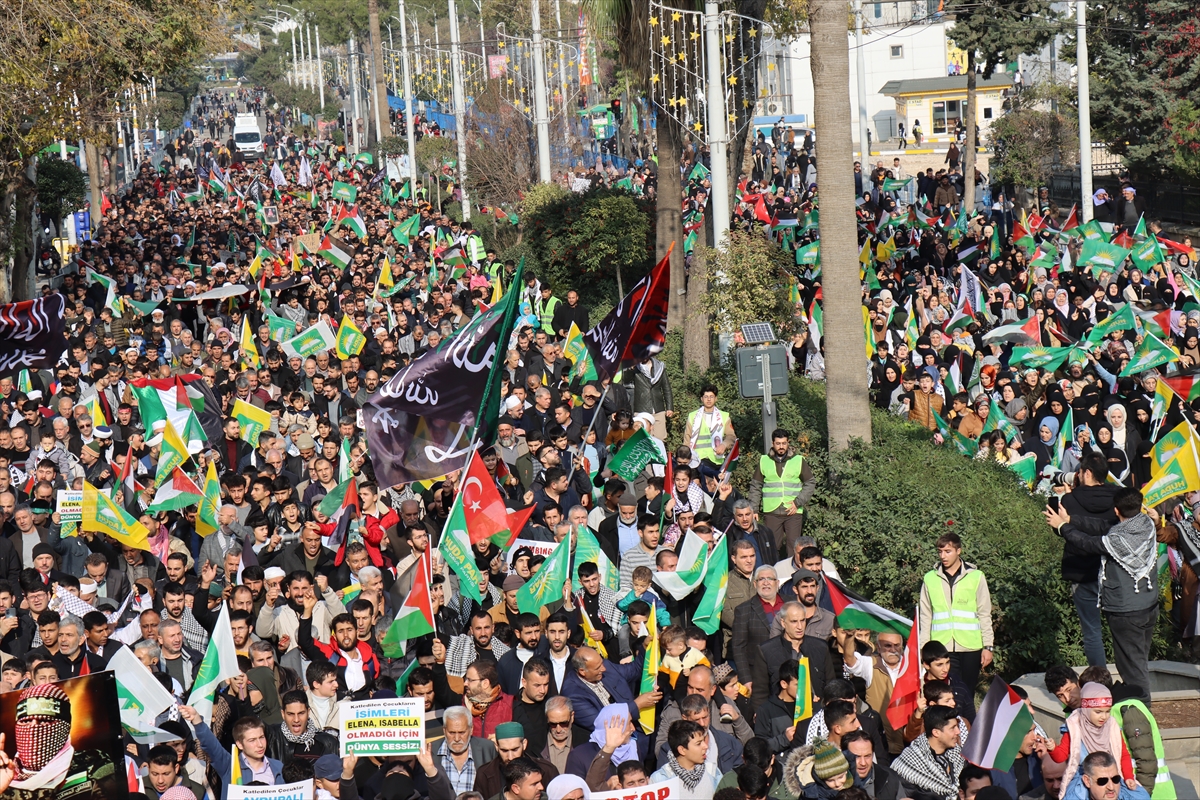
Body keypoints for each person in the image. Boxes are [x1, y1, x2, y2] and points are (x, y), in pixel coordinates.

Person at [1046, 488, 1158, 701]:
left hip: (1127, 611)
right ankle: (1135, 702)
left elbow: (1088, 543)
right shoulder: (1145, 523)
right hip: (1148, 605)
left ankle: (1141, 711)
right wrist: (1070, 519)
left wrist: (1062, 527)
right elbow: (1102, 527)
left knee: (1131, 667)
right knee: (1138, 660)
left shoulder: (1118, 539)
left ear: (1116, 510)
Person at [918, 532, 994, 695]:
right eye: (940, 552)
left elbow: (984, 613)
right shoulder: (930, 578)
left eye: (948, 551)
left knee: (967, 692)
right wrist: (924, 648)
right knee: (946, 692)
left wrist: (988, 646)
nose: (943, 556)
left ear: (958, 551)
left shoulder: (976, 577)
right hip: (942, 646)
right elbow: (925, 615)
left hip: (970, 646)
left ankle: (967, 721)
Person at [748, 429, 817, 556]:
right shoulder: (764, 460)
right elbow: (755, 486)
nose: (781, 447)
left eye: (784, 443)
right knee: (772, 546)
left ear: (788, 443)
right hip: (771, 511)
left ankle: (794, 574)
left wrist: (798, 502)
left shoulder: (798, 460)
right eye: (778, 443)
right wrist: (754, 509)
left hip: (793, 510)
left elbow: (810, 482)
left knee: (794, 546)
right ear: (773, 443)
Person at [892, 706, 966, 800]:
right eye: (953, 728)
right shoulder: (909, 765)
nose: (958, 732)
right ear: (936, 732)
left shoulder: (958, 756)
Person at [650, 720, 722, 800]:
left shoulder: (712, 771)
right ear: (682, 750)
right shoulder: (660, 779)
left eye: (703, 741)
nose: (705, 746)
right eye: (698, 743)